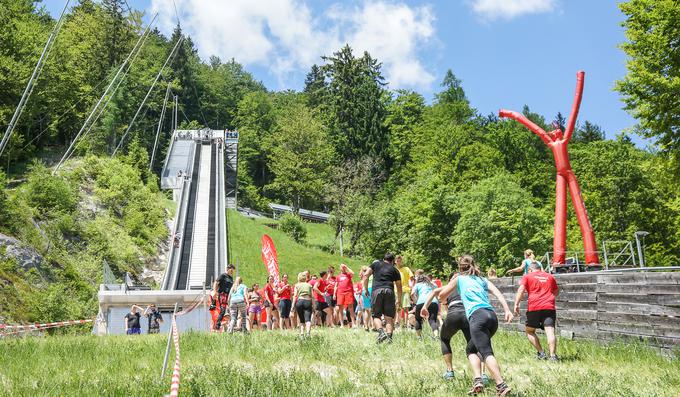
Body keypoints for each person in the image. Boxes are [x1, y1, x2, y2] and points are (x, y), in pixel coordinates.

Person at [423, 255, 513, 396]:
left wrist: (443, 298)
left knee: (486, 352)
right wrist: (507, 310)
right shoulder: (482, 279)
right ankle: (478, 380)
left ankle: (501, 384)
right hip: (491, 316)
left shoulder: (459, 279)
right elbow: (497, 293)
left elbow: (441, 297)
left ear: (460, 268)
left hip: (477, 317)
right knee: (471, 348)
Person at [513, 260, 560, 361]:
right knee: (550, 331)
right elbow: (556, 291)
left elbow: (521, 290)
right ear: (539, 268)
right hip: (549, 306)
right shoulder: (550, 276)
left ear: (530, 270)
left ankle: (541, 353)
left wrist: (516, 304)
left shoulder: (527, 276)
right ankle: (553, 356)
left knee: (530, 331)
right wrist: (548, 298)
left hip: (534, 306)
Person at [363, 252, 402, 344]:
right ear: (392, 261)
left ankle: (381, 333)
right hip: (389, 291)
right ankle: (389, 338)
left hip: (377, 291)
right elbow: (399, 286)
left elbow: (366, 275)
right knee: (389, 317)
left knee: (376, 315)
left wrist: (365, 289)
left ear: (384, 259)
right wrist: (399, 299)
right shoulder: (395, 270)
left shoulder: (376, 264)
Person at [293, 272, 321, 338]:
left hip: (299, 301)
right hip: (307, 301)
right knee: (308, 319)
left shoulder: (297, 285)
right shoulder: (309, 285)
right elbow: (312, 297)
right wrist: (314, 306)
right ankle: (308, 333)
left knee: (301, 319)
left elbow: (295, 295)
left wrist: (292, 306)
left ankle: (302, 334)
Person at [412, 273, 439, 340]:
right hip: (433, 301)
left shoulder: (417, 285)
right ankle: (436, 336)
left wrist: (416, 302)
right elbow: (437, 293)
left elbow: (412, 294)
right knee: (432, 320)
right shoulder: (433, 284)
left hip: (421, 302)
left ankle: (419, 338)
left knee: (418, 320)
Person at [213, 264, 236, 330]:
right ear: (228, 269)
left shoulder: (231, 278)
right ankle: (217, 326)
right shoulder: (223, 275)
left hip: (229, 296)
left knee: (230, 311)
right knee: (222, 310)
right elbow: (216, 283)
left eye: (233, 271)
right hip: (222, 295)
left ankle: (230, 326)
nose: (232, 272)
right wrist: (215, 291)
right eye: (231, 270)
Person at [334, 264, 356, 328]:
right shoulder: (338, 276)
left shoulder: (348, 275)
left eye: (344, 267)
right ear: (340, 268)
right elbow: (336, 285)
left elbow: (353, 273)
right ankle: (342, 325)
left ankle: (354, 324)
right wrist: (335, 294)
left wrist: (347, 267)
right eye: (342, 267)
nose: (343, 268)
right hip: (340, 293)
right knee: (340, 308)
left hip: (348, 292)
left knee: (350, 308)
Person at [396, 256, 414, 330]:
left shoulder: (406, 269)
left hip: (405, 290)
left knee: (406, 308)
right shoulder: (395, 270)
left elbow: (412, 278)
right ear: (395, 262)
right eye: (397, 261)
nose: (399, 262)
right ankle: (399, 324)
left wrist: (411, 287)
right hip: (396, 290)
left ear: (402, 261)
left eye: (400, 261)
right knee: (398, 308)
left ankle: (406, 324)